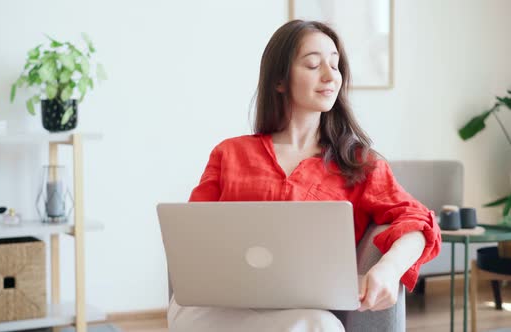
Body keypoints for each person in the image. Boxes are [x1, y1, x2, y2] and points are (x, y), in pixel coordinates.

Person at [168, 20, 441, 332]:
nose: (329, 76)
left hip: (302, 315)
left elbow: (418, 221)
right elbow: (191, 234)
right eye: (313, 64)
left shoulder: (359, 163)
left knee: (319, 326)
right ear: (280, 81)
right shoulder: (228, 153)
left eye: (335, 65)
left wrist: (389, 269)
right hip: (217, 309)